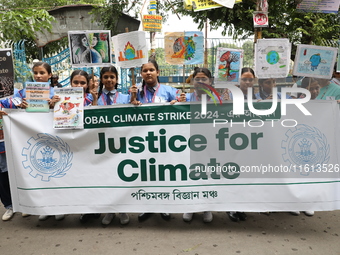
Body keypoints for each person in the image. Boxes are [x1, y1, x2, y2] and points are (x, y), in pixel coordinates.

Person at [131, 59, 178, 221]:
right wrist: (133, 102)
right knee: (145, 175)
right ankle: (147, 207)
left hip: (165, 141)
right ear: (141, 74)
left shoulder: (169, 90)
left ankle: (164, 207)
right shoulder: (135, 91)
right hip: (143, 141)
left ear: (158, 72)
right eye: (145, 70)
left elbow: (184, 103)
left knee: (163, 174)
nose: (148, 73)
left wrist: (176, 102)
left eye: (151, 70)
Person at [92, 66, 130, 225]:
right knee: (106, 178)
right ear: (101, 79)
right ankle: (109, 211)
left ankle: (123, 210)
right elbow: (91, 117)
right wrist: (94, 100)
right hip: (101, 144)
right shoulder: (96, 97)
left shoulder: (125, 97)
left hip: (121, 144)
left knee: (121, 177)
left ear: (116, 79)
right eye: (106, 77)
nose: (109, 80)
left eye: (112, 77)